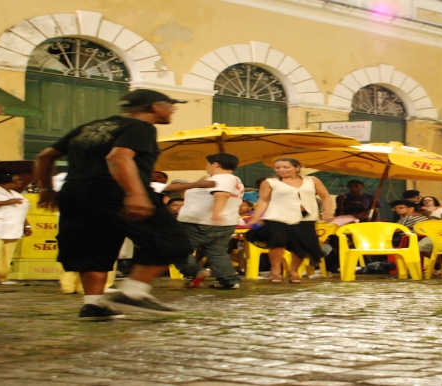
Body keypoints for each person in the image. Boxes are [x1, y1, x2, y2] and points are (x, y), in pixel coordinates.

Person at [35, 88, 193, 320]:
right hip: (114, 190)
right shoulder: (141, 127)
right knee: (170, 241)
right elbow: (118, 157)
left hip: (76, 191)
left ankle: (94, 305)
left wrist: (45, 189)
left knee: (92, 247)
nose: (172, 110)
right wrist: (136, 193)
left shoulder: (90, 127)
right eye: (170, 105)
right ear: (155, 107)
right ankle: (134, 292)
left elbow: (45, 156)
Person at [162, 153, 244, 290]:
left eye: (207, 163)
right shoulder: (234, 179)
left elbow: (222, 194)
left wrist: (216, 213)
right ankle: (228, 280)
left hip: (200, 222)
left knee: (177, 248)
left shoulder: (221, 178)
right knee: (217, 253)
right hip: (225, 222)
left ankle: (194, 272)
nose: (206, 166)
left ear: (216, 164)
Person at [247, 157, 334, 284]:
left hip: (305, 218)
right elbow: (263, 200)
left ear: (297, 167)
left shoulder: (312, 180)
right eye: (278, 168)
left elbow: (325, 196)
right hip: (277, 217)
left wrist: (327, 212)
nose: (282, 170)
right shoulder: (270, 182)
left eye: (286, 167)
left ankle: (294, 271)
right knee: (278, 244)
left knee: (300, 246)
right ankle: (275, 270)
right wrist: (256, 217)